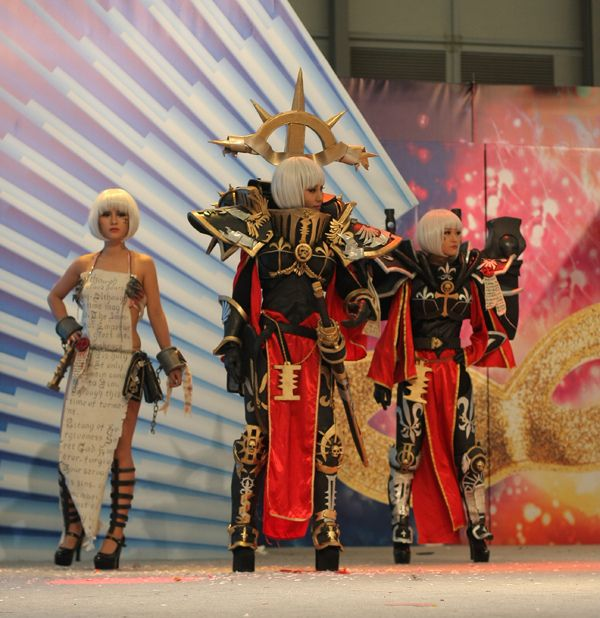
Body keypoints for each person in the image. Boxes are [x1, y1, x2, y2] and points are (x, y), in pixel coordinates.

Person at [188, 156, 399, 572]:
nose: (320, 196)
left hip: (315, 349)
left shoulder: (332, 236)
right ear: (290, 189)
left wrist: (357, 308)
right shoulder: (260, 231)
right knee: (256, 440)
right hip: (268, 349)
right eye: (311, 189)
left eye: (320, 188)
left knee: (325, 439)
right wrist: (235, 342)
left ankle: (326, 526)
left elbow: (353, 289)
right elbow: (242, 293)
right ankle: (244, 530)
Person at [368, 208, 524, 563]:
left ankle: (477, 526)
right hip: (417, 375)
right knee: (407, 452)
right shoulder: (410, 275)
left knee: (468, 454)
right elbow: (395, 329)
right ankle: (401, 525)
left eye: (457, 232)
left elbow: (490, 326)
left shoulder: (470, 275)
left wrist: (468, 354)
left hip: (454, 375)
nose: (455, 238)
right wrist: (385, 377)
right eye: (447, 233)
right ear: (431, 235)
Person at [47, 188, 188, 569]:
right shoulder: (83, 264)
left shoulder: (142, 264)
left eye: (121, 214)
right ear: (97, 219)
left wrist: (170, 359)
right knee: (74, 447)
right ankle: (73, 528)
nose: (114, 221)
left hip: (125, 365)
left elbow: (156, 312)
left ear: (130, 221)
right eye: (107, 214)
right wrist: (70, 329)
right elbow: (55, 297)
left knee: (119, 448)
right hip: (88, 365)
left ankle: (115, 533)